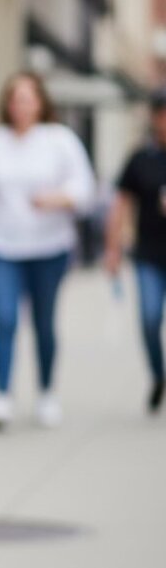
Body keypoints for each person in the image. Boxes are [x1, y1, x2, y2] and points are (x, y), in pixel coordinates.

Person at [0, 72, 95, 430]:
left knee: (43, 323)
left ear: (40, 102)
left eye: (27, 98)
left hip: (49, 247)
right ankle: (1, 396)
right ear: (6, 104)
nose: (20, 106)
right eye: (14, 99)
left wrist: (57, 198)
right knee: (5, 319)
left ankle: (46, 392)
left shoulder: (60, 140)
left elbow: (85, 192)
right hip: (0, 245)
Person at [103, 88, 166, 413]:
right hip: (149, 256)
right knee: (150, 318)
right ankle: (159, 375)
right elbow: (120, 204)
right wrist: (112, 249)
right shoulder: (141, 159)